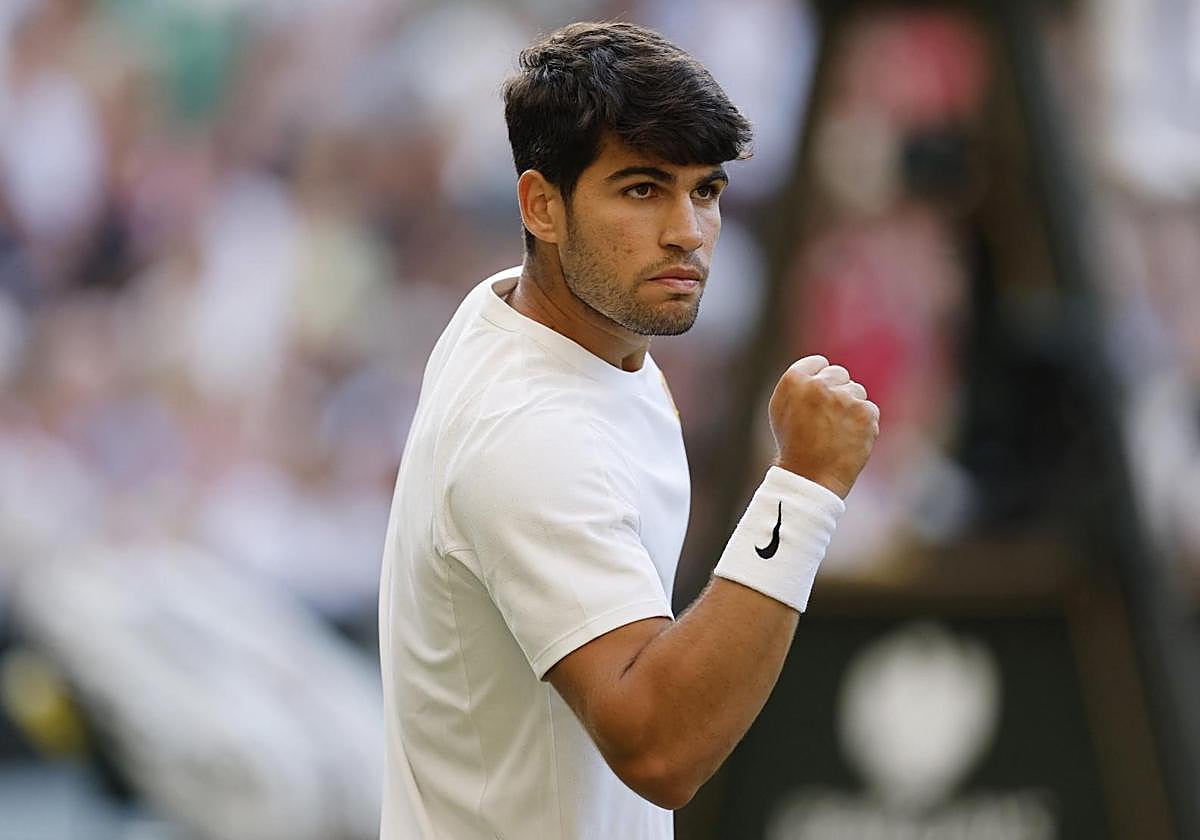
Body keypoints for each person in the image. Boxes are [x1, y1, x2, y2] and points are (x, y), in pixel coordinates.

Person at [377, 21, 879, 840]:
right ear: (541, 204)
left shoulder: (528, 314)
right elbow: (660, 749)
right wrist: (805, 488)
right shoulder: (529, 433)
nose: (686, 230)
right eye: (642, 189)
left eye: (705, 191)